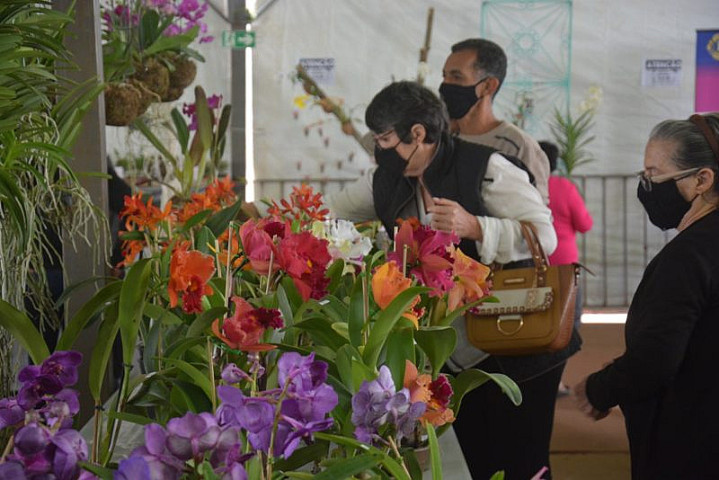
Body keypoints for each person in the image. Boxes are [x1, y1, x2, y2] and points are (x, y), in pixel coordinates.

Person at [326, 81, 580, 480]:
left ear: (419, 134)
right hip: (455, 352)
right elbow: (329, 212)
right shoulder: (387, 179)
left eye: (385, 138)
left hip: (518, 340)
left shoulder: (487, 168)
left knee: (524, 462)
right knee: (481, 461)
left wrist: (476, 226)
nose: (378, 147)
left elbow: (543, 237)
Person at [575, 113, 719, 479]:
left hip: (690, 441)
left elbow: (657, 359)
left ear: (702, 179)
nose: (645, 186)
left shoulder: (687, 257)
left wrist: (600, 389)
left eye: (654, 175)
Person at [440, 38, 551, 204]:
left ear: (488, 86)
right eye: (445, 76)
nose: (445, 85)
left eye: (456, 77)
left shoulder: (518, 146)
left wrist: (479, 228)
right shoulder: (441, 139)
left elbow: (537, 222)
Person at [539, 140, 593, 396]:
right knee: (569, 325)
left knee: (536, 323)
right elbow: (585, 224)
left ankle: (537, 379)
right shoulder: (565, 187)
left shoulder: (527, 188)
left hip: (533, 266)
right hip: (566, 267)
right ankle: (556, 381)